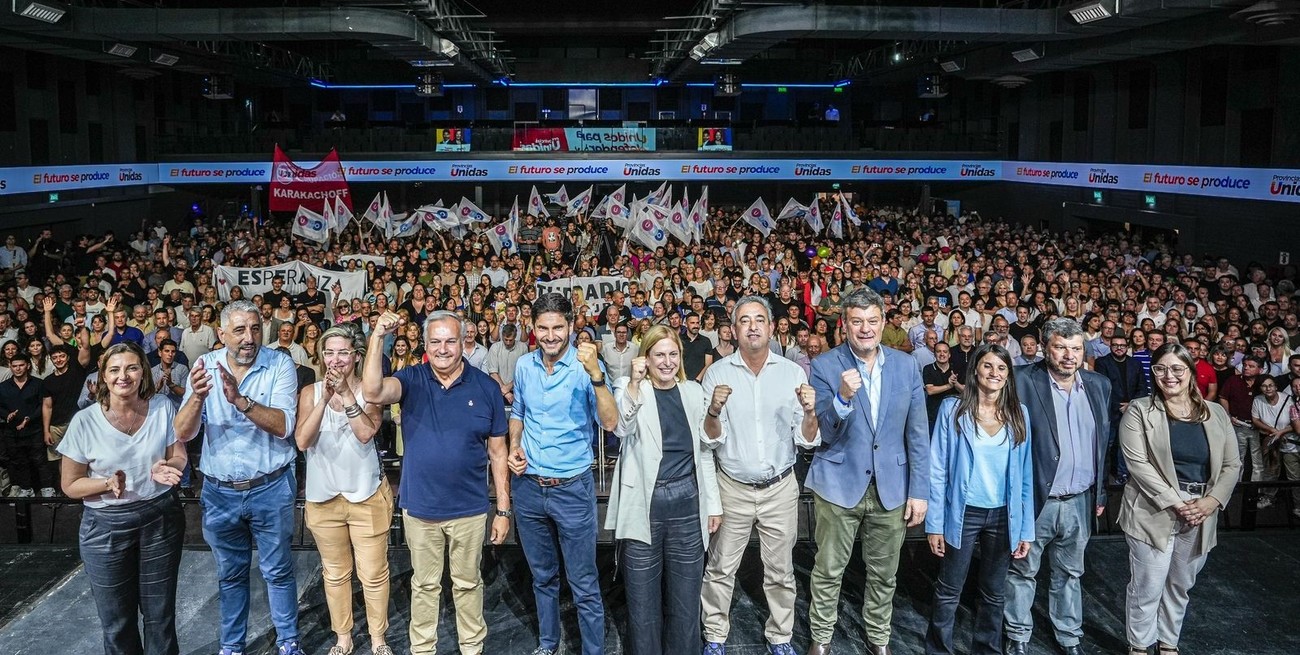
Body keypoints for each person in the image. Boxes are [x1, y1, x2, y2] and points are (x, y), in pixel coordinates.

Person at [362, 311, 510, 655]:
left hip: (470, 509)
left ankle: (472, 648)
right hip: (422, 508)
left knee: (468, 584)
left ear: (464, 343)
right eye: (436, 341)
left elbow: (499, 452)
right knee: (425, 585)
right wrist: (377, 337)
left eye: (451, 340)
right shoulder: (411, 379)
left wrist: (502, 509)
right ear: (425, 344)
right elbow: (372, 390)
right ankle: (423, 649)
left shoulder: (486, 387)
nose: (443, 348)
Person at [174, 299, 305, 655]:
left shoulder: (279, 363)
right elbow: (183, 433)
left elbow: (283, 426)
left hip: (271, 487)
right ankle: (232, 646)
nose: (249, 338)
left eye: (255, 328)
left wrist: (239, 400)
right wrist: (197, 400)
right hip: (219, 492)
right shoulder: (203, 366)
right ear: (221, 334)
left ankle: (288, 642)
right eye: (240, 330)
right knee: (230, 575)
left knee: (277, 571)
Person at [806, 287, 929, 655]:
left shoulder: (906, 365)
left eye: (872, 321)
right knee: (828, 571)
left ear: (883, 322)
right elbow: (822, 433)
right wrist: (842, 397)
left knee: (884, 575)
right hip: (839, 484)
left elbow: (918, 433)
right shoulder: (826, 365)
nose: (865, 329)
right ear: (844, 325)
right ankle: (821, 638)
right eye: (856, 322)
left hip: (892, 486)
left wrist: (919, 490)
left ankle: (878, 638)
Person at [700, 295, 820, 655]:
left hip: (780, 488)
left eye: (759, 320)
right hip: (732, 487)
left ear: (770, 328)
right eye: (744, 321)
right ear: (733, 330)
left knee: (781, 570)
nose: (752, 326)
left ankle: (780, 637)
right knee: (721, 568)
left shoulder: (792, 373)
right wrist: (714, 409)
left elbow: (807, 440)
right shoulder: (718, 373)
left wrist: (811, 413)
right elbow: (708, 438)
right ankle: (715, 635)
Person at [57, 342, 187, 655]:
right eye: (114, 370)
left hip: (161, 518)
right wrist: (104, 483)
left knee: (160, 617)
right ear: (103, 376)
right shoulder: (84, 421)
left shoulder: (163, 408)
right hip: (105, 528)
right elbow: (70, 485)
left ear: (143, 371)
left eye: (131, 367)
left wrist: (168, 466)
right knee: (117, 621)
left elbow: (179, 456)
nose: (123, 376)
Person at [506, 293, 617, 655]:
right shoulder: (524, 366)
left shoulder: (588, 365)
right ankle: (548, 644)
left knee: (583, 581)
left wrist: (597, 376)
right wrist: (514, 446)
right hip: (528, 488)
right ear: (532, 329)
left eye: (558, 327)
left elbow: (610, 422)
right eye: (543, 328)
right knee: (542, 577)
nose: (551, 335)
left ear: (571, 327)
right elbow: (518, 412)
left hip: (572, 487)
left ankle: (593, 651)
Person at [606, 325, 722, 655]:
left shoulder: (691, 392)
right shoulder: (628, 388)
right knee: (642, 605)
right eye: (659, 354)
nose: (667, 361)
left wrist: (713, 503)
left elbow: (704, 451)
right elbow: (621, 427)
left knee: (685, 603)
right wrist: (632, 383)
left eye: (673, 354)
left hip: (687, 503)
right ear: (646, 357)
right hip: (644, 504)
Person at [1118, 343, 1241, 654]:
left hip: (1202, 510)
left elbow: (1231, 464)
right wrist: (1176, 502)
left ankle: (1168, 642)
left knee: (1180, 585)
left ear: (1190, 372)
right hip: (1153, 510)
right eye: (1160, 369)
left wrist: (1211, 502)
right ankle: (1140, 645)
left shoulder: (1215, 413)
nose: (1168, 375)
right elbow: (1138, 464)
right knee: (1147, 586)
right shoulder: (1139, 410)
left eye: (1176, 369)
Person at [1004, 317, 1113, 655]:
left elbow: (1103, 443)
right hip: (1036, 499)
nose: (1069, 355)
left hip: (1081, 499)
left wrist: (1101, 492)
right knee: (1022, 571)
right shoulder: (1022, 381)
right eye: (1061, 347)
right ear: (1044, 347)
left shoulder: (1099, 385)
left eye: (1076, 348)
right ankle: (1018, 635)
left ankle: (1068, 636)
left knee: (1070, 573)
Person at [926, 344, 1035, 655]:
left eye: (1002, 368)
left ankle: (987, 649)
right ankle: (938, 650)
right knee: (949, 590)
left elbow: (1025, 477)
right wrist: (935, 524)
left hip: (1003, 516)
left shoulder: (1019, 413)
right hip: (964, 512)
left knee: (993, 592)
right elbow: (937, 469)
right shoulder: (952, 409)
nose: (995, 373)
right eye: (988, 366)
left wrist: (1025, 529)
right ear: (975, 369)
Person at [296, 325, 393, 655]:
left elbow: (366, 433)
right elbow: (302, 440)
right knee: (335, 575)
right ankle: (344, 637)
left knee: (373, 575)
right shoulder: (310, 392)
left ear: (356, 356)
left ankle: (378, 639)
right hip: (323, 502)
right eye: (329, 352)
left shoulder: (370, 390)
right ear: (321, 357)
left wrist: (349, 397)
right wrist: (324, 399)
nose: (335, 360)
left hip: (366, 497)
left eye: (342, 352)